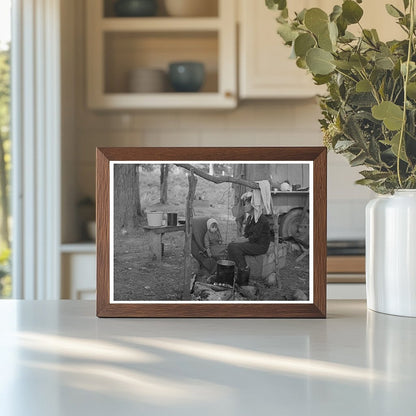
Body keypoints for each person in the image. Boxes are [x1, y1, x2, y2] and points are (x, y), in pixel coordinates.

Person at [227, 194, 271, 285]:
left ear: (253, 205)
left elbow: (252, 238)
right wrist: (236, 240)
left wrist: (238, 242)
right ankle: (231, 270)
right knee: (231, 245)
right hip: (253, 242)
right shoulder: (250, 218)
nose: (244, 206)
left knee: (236, 247)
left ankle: (243, 270)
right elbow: (246, 235)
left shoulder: (261, 219)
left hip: (260, 245)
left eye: (246, 204)